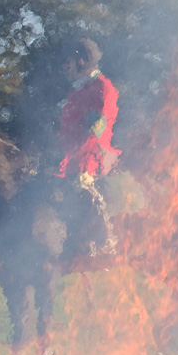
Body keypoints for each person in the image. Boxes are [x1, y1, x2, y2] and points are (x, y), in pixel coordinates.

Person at [52, 38, 121, 257]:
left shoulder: (102, 87)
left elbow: (95, 131)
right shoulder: (75, 91)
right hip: (72, 158)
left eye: (68, 62)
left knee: (85, 194)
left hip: (93, 158)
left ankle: (106, 244)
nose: (64, 68)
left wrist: (74, 162)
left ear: (81, 61)